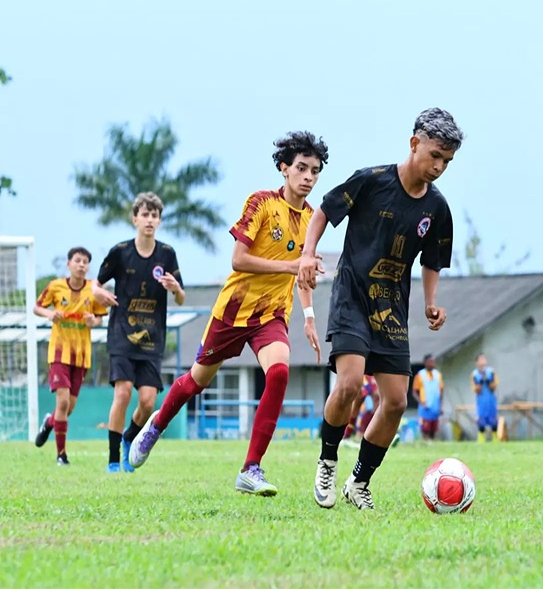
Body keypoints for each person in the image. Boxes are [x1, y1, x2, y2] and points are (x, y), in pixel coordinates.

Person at [129, 132, 328, 495]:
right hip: (234, 311)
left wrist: (310, 315)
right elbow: (238, 259)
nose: (308, 177)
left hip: (272, 315)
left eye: (315, 171)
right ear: (284, 169)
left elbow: (303, 272)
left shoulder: (313, 218)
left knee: (280, 371)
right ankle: (156, 426)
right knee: (195, 381)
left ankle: (250, 469)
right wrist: (291, 266)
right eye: (301, 168)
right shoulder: (261, 203)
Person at [298, 107, 463, 510]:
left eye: (447, 161)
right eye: (435, 156)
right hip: (353, 296)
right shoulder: (371, 181)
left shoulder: (437, 209)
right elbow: (323, 211)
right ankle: (327, 459)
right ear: (414, 144)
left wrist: (430, 303)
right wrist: (307, 253)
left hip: (391, 308)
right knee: (351, 384)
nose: (439, 166)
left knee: (396, 402)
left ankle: (359, 483)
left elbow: (432, 261)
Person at [91, 193, 185, 473]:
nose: (150, 220)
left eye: (154, 215)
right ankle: (112, 459)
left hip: (152, 339)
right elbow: (95, 286)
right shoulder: (121, 251)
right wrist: (101, 295)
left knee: (147, 402)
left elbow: (181, 297)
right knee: (122, 393)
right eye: (145, 215)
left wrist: (175, 288)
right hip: (122, 335)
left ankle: (130, 437)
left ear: (159, 221)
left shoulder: (167, 254)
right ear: (135, 219)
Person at [32, 247, 107, 464]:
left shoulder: (93, 290)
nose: (81, 265)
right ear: (69, 264)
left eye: (85, 262)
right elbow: (37, 307)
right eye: (78, 261)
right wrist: (50, 314)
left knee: (69, 407)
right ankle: (61, 455)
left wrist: (95, 321)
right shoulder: (56, 286)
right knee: (63, 402)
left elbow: (101, 317)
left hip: (82, 355)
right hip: (59, 352)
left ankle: (49, 423)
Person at [413, 354, 444, 441]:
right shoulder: (420, 375)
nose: (432, 364)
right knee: (425, 429)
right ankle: (425, 443)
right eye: (430, 362)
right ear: (425, 363)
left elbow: (441, 391)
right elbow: (414, 392)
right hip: (425, 407)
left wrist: (440, 406)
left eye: (433, 362)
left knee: (433, 430)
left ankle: (432, 444)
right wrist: (421, 402)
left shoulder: (438, 375)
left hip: (435, 406)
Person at [342, 375, 379, 446]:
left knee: (377, 397)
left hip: (378, 370)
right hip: (363, 371)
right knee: (359, 398)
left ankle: (370, 434)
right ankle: (347, 434)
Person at [472, 354, 498, 443]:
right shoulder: (474, 374)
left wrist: (488, 381)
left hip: (491, 400)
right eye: (480, 359)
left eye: (484, 359)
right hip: (481, 400)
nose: (483, 361)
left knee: (493, 420)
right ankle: (481, 439)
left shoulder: (491, 372)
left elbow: (494, 388)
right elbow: (476, 390)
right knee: (481, 420)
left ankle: (495, 439)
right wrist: (480, 382)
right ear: (477, 362)